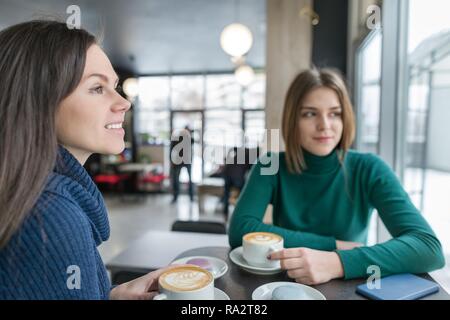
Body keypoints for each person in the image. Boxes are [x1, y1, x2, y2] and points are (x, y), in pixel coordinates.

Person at [0, 20, 178, 299]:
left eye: (115, 86)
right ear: (38, 100)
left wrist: (110, 295)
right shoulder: (51, 216)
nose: (124, 103)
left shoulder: (32, 195)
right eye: (97, 88)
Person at [228, 68, 445, 285]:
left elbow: (429, 248)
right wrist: (336, 245)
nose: (325, 125)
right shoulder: (270, 164)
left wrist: (336, 262)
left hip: (350, 285)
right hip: (286, 285)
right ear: (293, 120)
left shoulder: (369, 168)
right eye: (310, 114)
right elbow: (240, 230)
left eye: (334, 113)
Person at [170, 125, 194, 203]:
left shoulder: (190, 139)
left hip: (187, 161)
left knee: (190, 180)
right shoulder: (176, 139)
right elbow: (171, 150)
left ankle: (191, 197)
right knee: (176, 180)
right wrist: (171, 161)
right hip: (178, 161)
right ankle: (175, 197)